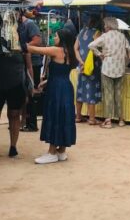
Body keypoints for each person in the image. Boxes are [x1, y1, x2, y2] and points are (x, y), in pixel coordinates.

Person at [0, 10, 32, 160]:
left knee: (14, 115)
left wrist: (30, 85)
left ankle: (13, 147)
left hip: (16, 82)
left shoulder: (22, 37)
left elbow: (28, 65)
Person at [26, 29, 78, 164]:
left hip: (57, 89)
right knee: (64, 116)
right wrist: (47, 81)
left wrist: (19, 43)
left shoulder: (57, 50)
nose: (54, 38)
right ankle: (61, 151)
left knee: (55, 115)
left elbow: (35, 50)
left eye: (55, 36)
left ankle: (52, 152)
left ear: (62, 38)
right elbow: (63, 72)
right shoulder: (71, 52)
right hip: (66, 86)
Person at [88, 17, 130, 129]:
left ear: (108, 26)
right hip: (120, 68)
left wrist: (100, 54)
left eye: (105, 25)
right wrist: (125, 60)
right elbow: (129, 50)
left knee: (108, 94)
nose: (104, 27)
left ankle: (108, 121)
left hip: (107, 68)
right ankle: (121, 120)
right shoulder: (122, 36)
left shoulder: (105, 36)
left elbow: (91, 45)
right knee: (118, 94)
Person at [74, 14, 102, 125]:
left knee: (80, 89)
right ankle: (92, 119)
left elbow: (75, 48)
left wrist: (81, 61)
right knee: (91, 90)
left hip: (81, 66)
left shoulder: (81, 32)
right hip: (92, 66)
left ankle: (78, 116)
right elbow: (97, 47)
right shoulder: (97, 33)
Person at [20, 9, 43, 132]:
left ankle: (32, 123)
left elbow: (37, 41)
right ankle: (24, 121)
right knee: (24, 94)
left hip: (33, 63)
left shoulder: (29, 24)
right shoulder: (20, 25)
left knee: (31, 92)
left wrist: (23, 47)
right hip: (24, 62)